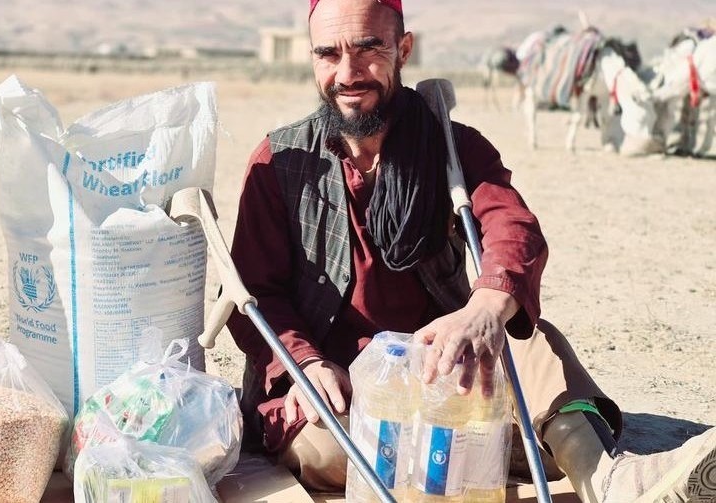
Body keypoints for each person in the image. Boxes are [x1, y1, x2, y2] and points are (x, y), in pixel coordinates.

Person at [225, 0, 716, 501]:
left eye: (369, 49)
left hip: (446, 369)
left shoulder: (454, 150)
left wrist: (484, 308)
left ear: (404, 50)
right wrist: (305, 364)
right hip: (336, 385)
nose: (348, 73)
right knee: (333, 446)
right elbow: (253, 294)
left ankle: (608, 481)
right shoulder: (280, 162)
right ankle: (494, 452)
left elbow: (513, 228)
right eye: (328, 54)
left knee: (531, 344)